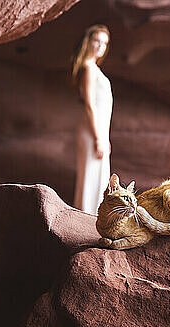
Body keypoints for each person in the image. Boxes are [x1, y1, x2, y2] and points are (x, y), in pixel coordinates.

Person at [71, 25, 113, 215]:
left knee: (97, 175)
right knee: (91, 175)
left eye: (104, 43)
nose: (100, 46)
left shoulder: (93, 68)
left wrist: (104, 137)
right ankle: (87, 217)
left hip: (98, 130)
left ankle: (91, 217)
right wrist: (98, 138)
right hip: (92, 130)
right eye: (97, 41)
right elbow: (89, 105)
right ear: (88, 42)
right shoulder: (88, 69)